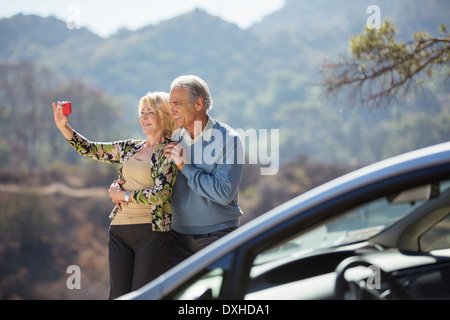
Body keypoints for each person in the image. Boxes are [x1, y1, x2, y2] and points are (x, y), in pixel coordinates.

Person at [52, 92, 177, 299]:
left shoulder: (170, 151)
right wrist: (64, 127)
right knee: (118, 296)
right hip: (119, 231)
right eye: (142, 113)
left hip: (152, 231)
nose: (143, 117)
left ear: (164, 115)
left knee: (143, 296)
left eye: (150, 113)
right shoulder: (129, 147)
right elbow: (90, 149)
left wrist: (124, 195)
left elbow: (160, 195)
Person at [163, 75, 244, 267]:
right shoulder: (172, 137)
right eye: (170, 104)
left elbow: (224, 193)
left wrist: (185, 166)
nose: (171, 110)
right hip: (176, 238)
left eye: (177, 104)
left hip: (217, 236)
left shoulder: (229, 139)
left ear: (199, 104)